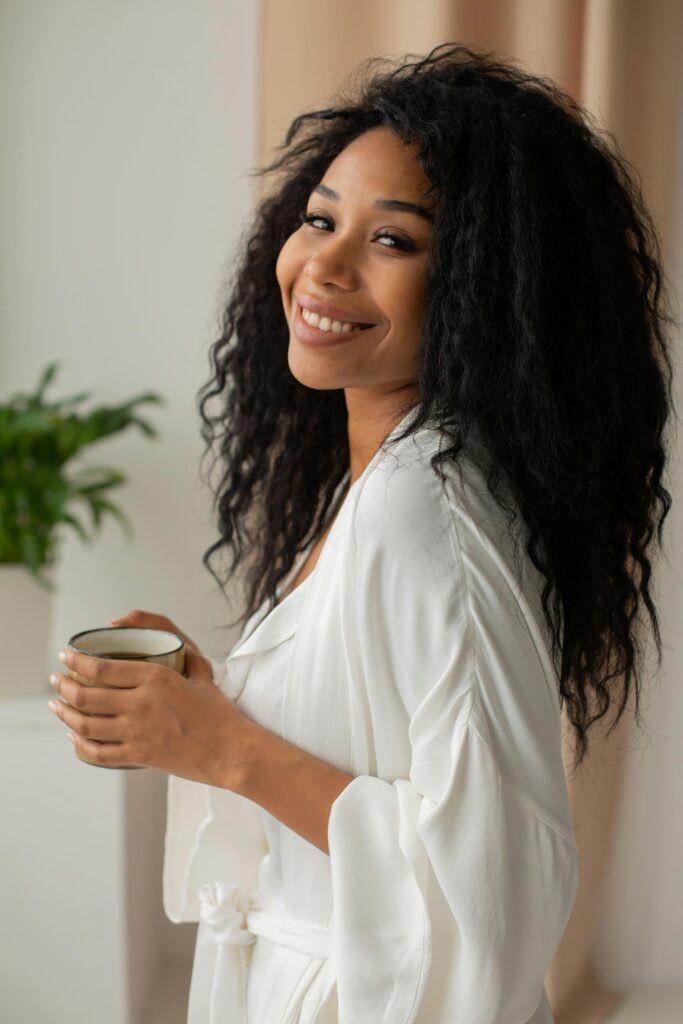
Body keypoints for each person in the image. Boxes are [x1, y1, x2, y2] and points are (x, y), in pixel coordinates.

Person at [48, 42, 676, 1024]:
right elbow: (384, 756)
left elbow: (494, 882)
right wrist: (210, 711)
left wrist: (225, 751)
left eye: (392, 240)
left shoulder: (421, 509)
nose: (322, 264)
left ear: (480, 284)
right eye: (318, 219)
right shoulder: (388, 480)